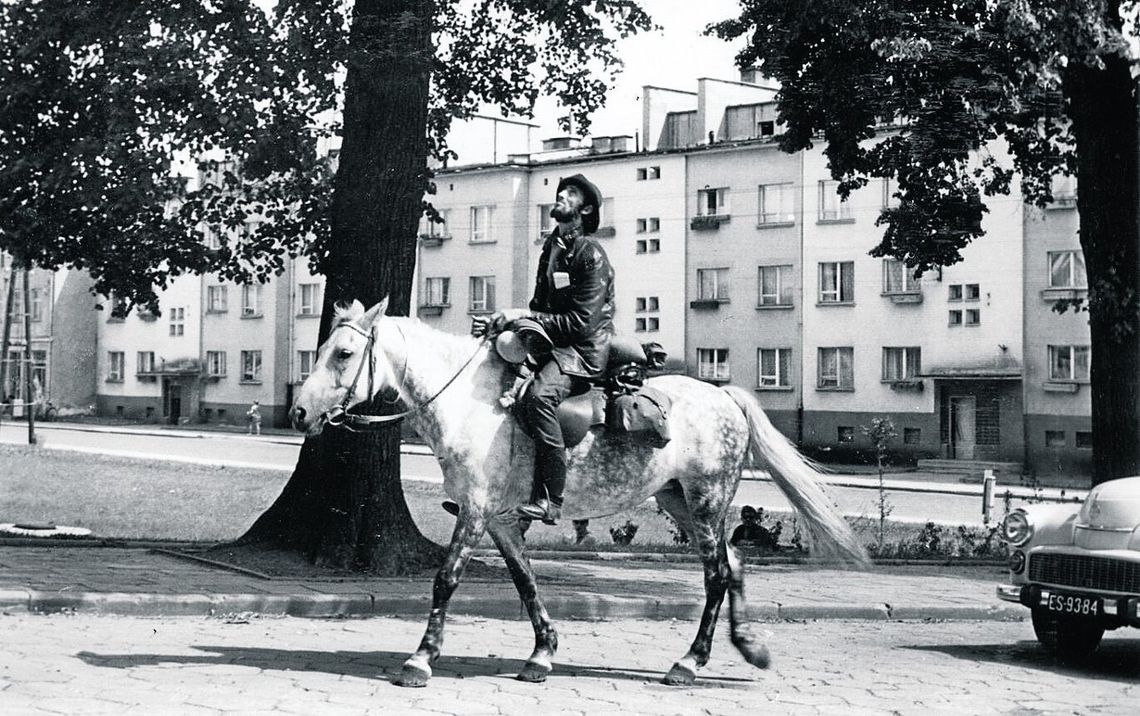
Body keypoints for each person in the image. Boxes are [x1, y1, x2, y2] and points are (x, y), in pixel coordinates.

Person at [471, 173, 615, 524]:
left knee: (537, 398)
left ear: (586, 209)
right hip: (552, 347)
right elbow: (540, 308)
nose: (563, 195)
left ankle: (551, 499)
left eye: (573, 193)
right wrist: (504, 325)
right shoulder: (552, 249)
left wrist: (522, 316)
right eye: (562, 191)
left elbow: (581, 323)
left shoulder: (590, 254)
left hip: (580, 352)